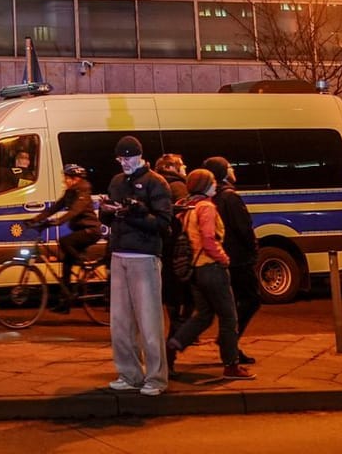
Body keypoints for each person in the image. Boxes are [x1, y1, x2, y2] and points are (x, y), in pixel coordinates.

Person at [167, 169, 253, 380]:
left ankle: (173, 344)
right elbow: (208, 238)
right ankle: (231, 365)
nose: (216, 184)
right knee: (228, 317)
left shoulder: (187, 207)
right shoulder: (206, 207)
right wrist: (223, 258)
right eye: (212, 182)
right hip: (211, 268)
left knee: (204, 316)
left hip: (194, 271)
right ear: (205, 185)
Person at [105, 135, 173, 396]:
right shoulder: (117, 182)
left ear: (140, 156)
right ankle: (129, 373)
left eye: (128, 158)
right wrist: (107, 212)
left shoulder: (156, 182)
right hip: (120, 253)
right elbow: (112, 218)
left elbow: (163, 223)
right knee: (119, 322)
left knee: (149, 321)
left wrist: (138, 211)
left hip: (144, 256)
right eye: (120, 158)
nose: (124, 163)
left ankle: (156, 378)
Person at [204, 156, 260, 361]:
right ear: (224, 172)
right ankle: (230, 342)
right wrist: (253, 249)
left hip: (223, 258)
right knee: (251, 300)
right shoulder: (230, 197)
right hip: (239, 259)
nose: (233, 170)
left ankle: (230, 345)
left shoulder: (211, 196)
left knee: (232, 302)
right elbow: (243, 228)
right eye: (230, 167)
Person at [28, 163, 102, 309]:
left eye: (66, 178)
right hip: (80, 230)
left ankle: (83, 263)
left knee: (64, 241)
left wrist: (58, 221)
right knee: (66, 264)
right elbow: (54, 208)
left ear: (75, 179)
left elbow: (75, 211)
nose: (64, 181)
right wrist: (35, 220)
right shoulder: (70, 192)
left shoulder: (83, 190)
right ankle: (65, 302)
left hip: (91, 230)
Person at [154, 152, 194, 336]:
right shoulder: (178, 186)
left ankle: (177, 326)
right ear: (170, 168)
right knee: (186, 287)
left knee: (170, 287)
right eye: (182, 165)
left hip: (162, 242)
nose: (185, 168)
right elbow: (186, 215)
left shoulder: (155, 184)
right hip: (177, 242)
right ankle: (181, 329)